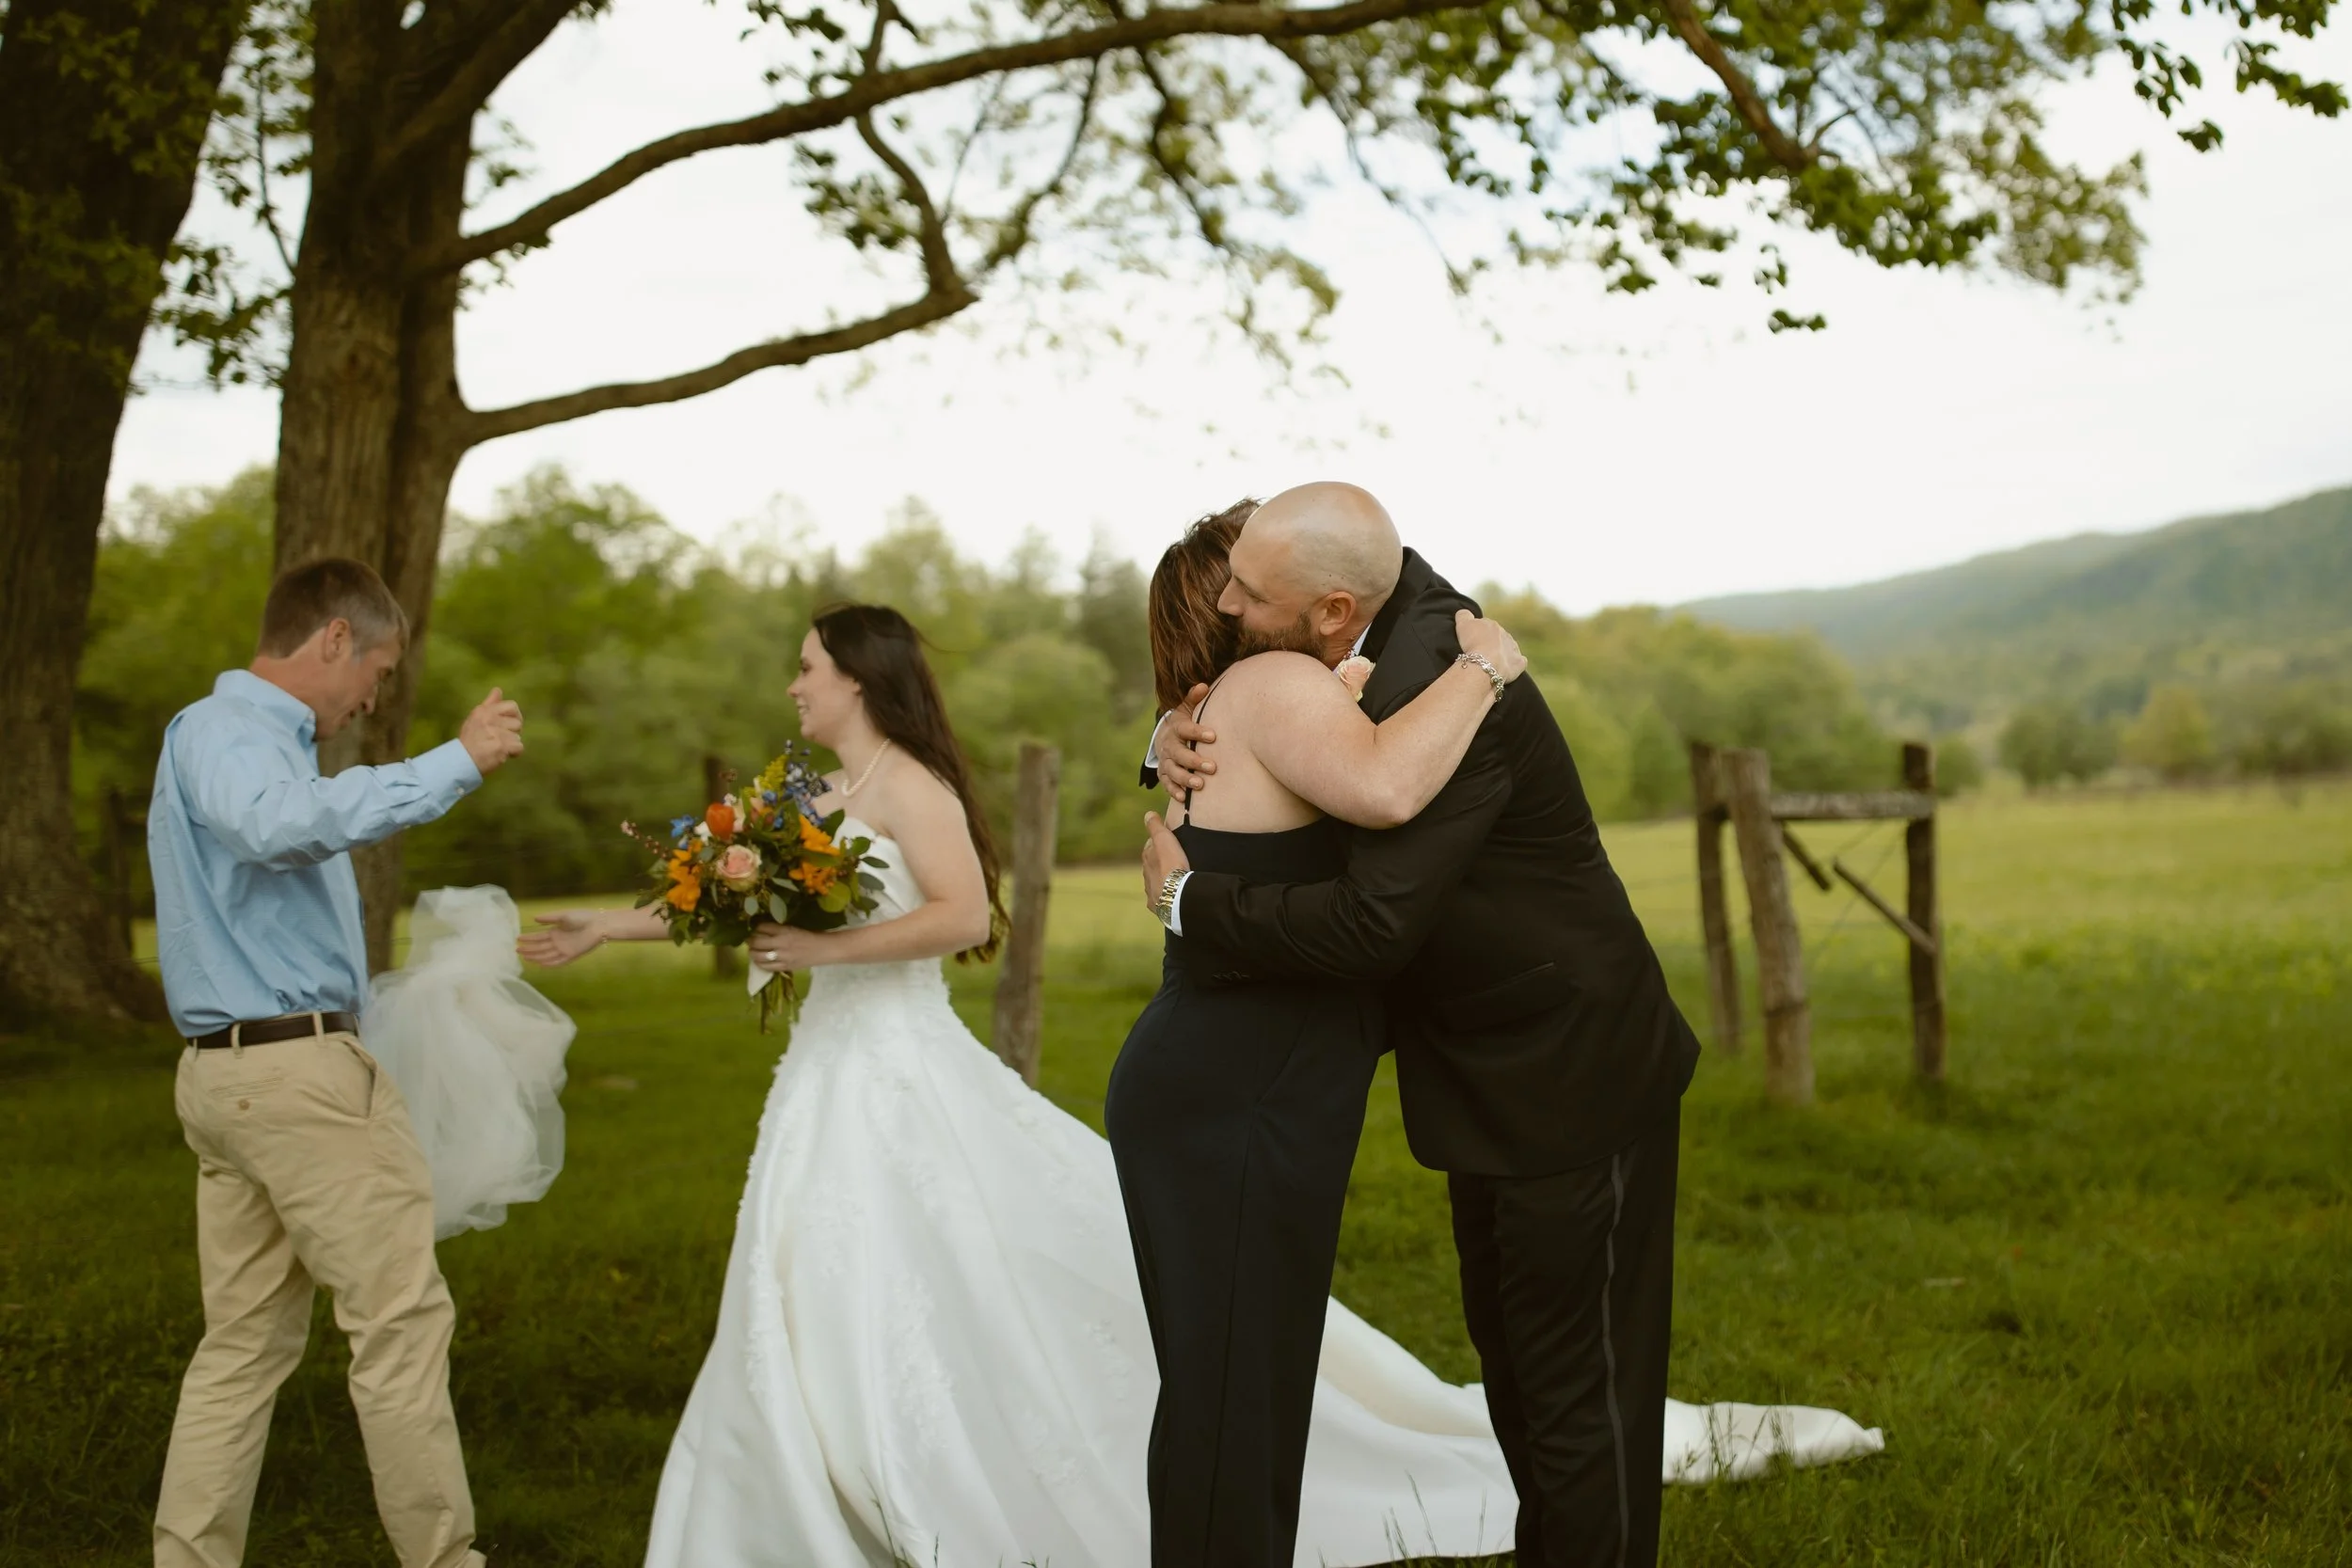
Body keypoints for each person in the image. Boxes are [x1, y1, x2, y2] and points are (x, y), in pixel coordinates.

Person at [518, 600, 1529, 1566]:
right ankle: (813, 1463)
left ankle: (935, 1455)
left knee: (935, 1255)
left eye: (807, 668)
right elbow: (724, 881)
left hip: (898, 1060)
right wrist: (608, 923)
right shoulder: (810, 794)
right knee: (811, 1257)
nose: (793, 686)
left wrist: (826, 951)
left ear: (857, 681)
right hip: (823, 1068)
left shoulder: (913, 786)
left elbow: (963, 916)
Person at [1139, 481, 1700, 1568]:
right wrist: (1170, 737)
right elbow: (1270, 762)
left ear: (1333, 608)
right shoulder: (1358, 635)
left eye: (1247, 600)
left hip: (1569, 1067)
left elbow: (1370, 923)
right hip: (1481, 1063)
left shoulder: (1448, 680)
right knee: (1516, 1365)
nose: (1229, 617)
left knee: (1578, 1390)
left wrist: (1186, 904)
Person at [1104, 501, 1530, 1568]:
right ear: (1228, 601)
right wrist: (1484, 667)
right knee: (1235, 1395)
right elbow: (1386, 785)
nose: (1257, 592)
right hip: (1240, 1092)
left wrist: (1156, 740)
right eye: (1242, 578)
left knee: (1233, 1386)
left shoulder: (1228, 706)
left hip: (1228, 1078)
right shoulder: (1272, 684)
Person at [150, 558, 525, 1568]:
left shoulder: (250, 743)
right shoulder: (229, 733)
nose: (374, 696)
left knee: (243, 1347)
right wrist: (452, 760)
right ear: (332, 640)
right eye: (379, 669)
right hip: (295, 1079)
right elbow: (277, 828)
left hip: (236, 1078)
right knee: (398, 1325)